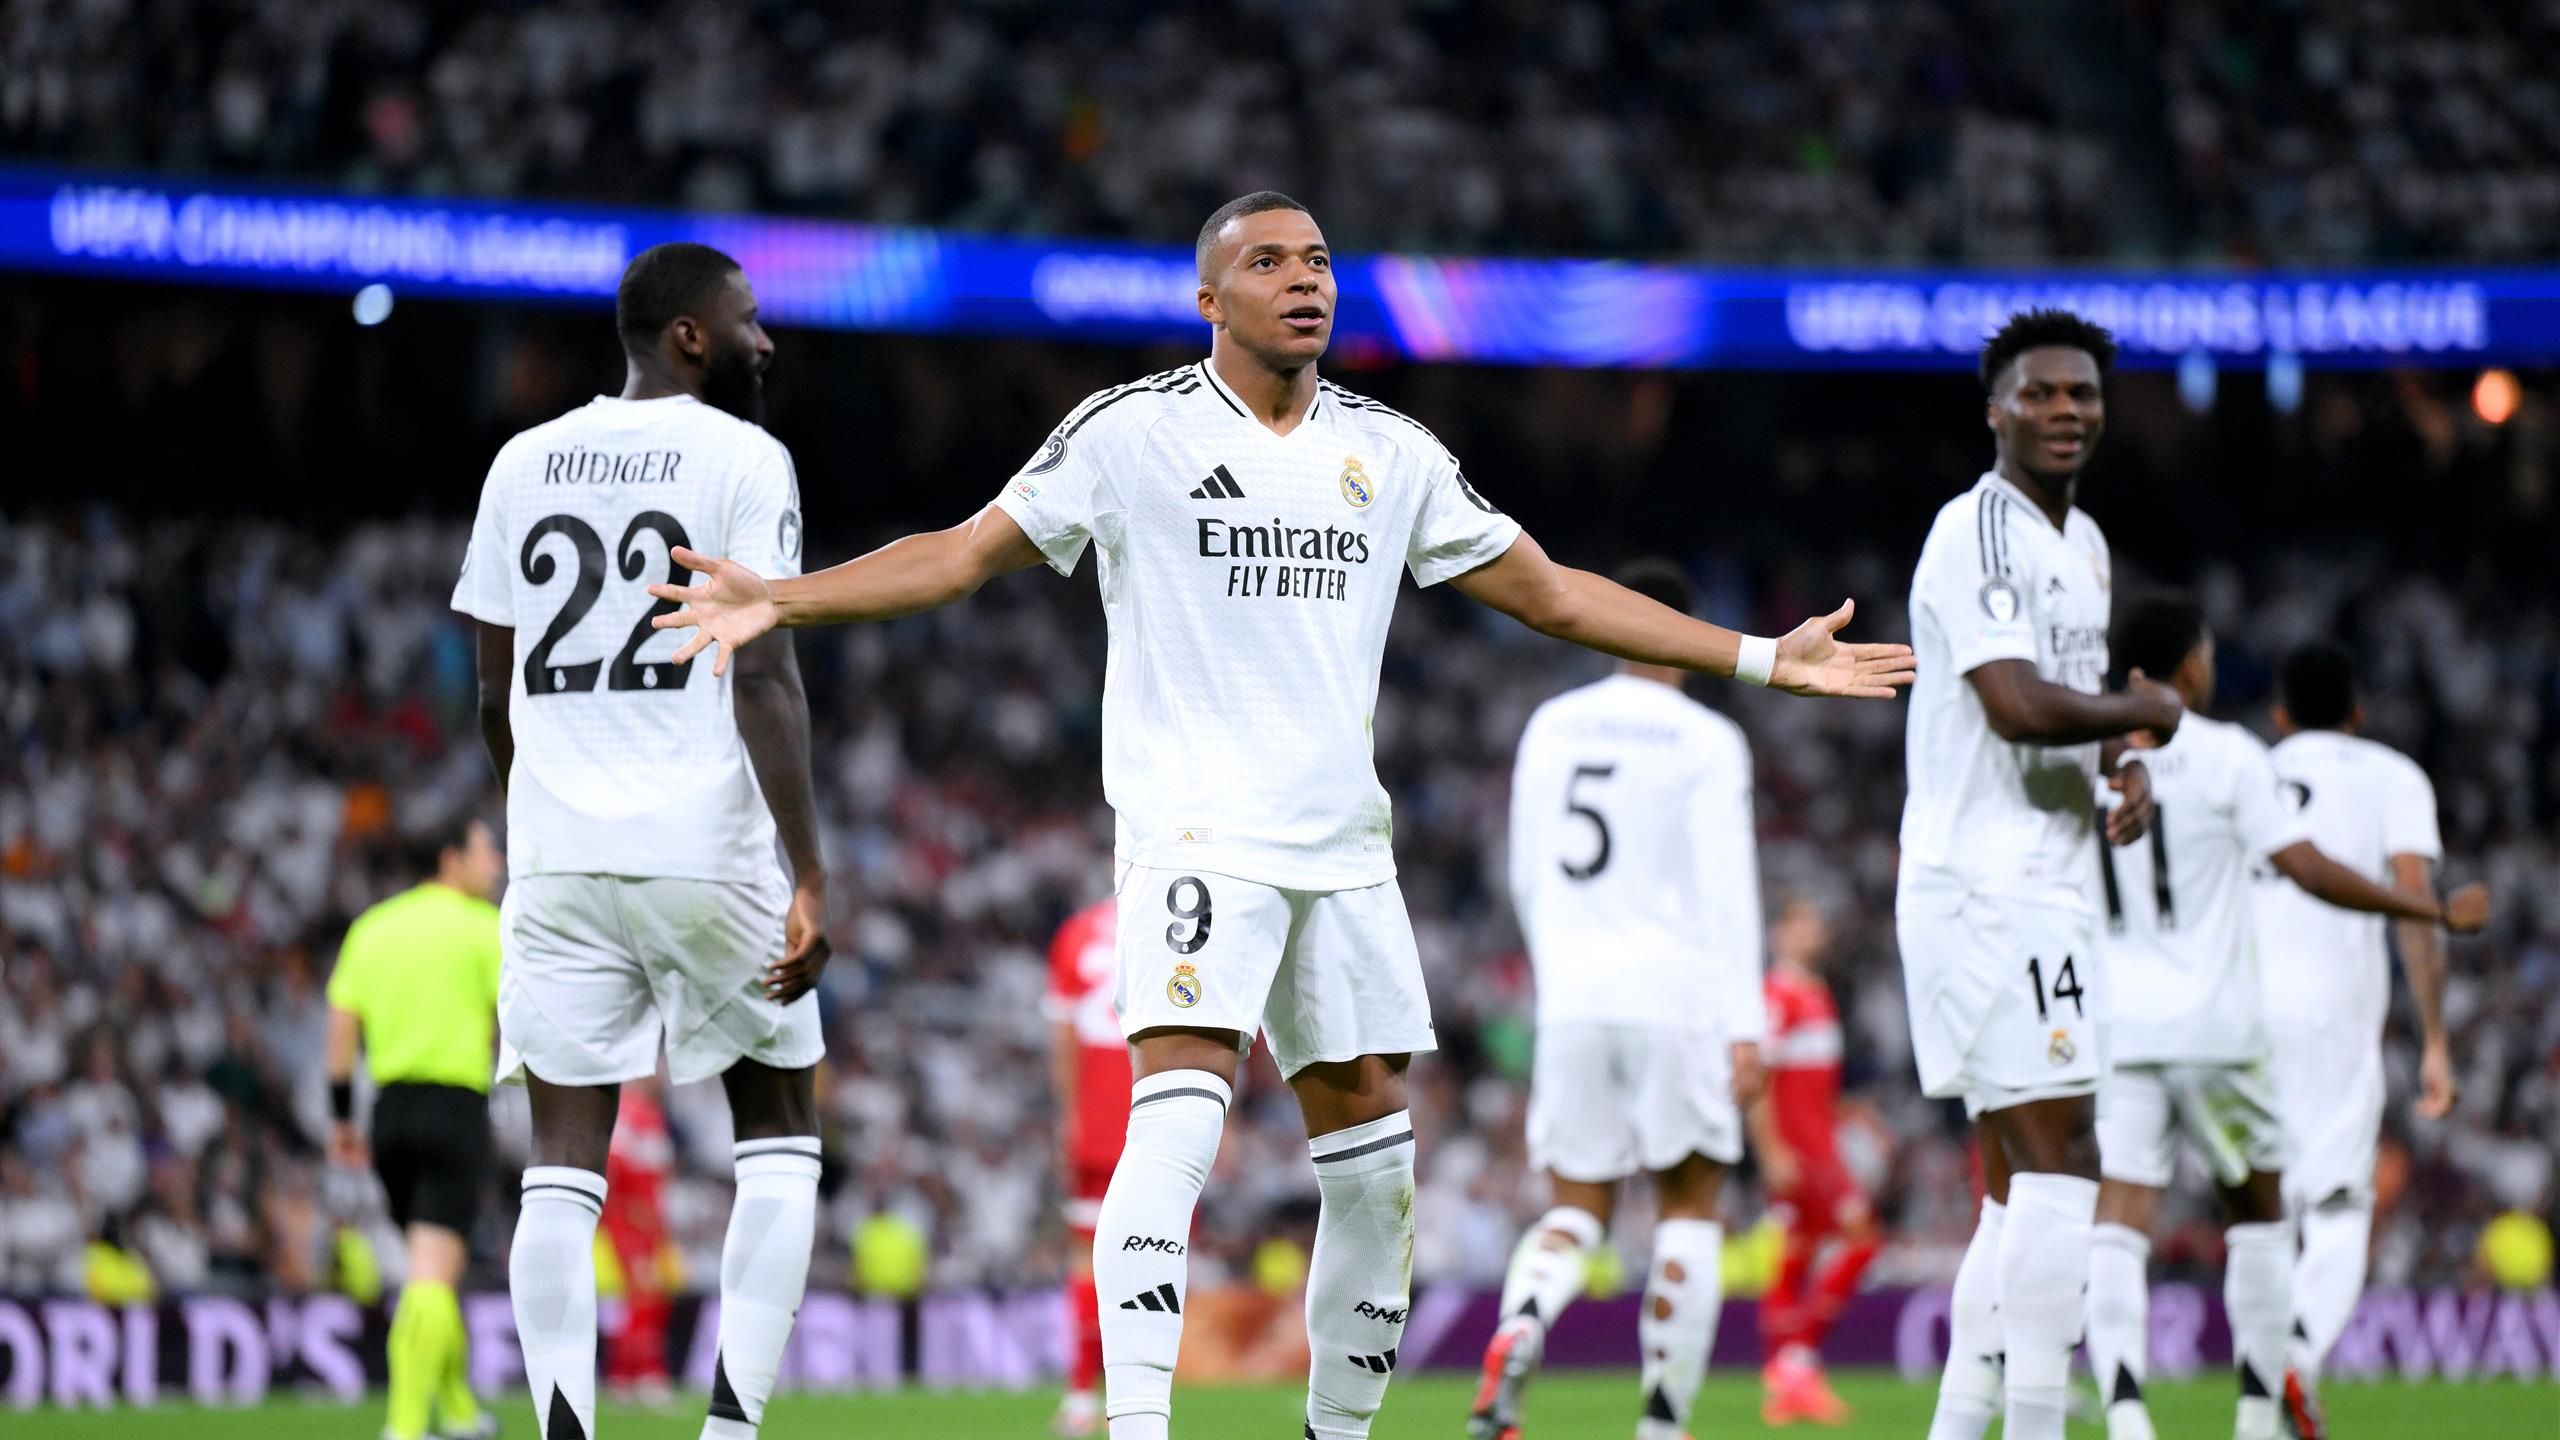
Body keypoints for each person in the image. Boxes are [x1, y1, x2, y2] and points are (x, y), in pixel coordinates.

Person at [644, 192, 1915, 1440]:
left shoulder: (1389, 450)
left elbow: (1554, 593)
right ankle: (1136, 1423)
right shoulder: (1128, 434)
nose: (1305, 280)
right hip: (1198, 836)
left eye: (1317, 260)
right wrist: (791, 598)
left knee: (1377, 1172)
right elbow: (963, 551)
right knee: (1181, 1110)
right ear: (1210, 300)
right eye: (1268, 263)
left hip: (1346, 859)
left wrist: (1758, 657)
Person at [452, 241, 833, 1440]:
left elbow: (490, 692)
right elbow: (763, 673)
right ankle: (728, 1430)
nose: (764, 342)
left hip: (557, 859)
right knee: (777, 1136)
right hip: (704, 849)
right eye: (748, 319)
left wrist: (542, 817)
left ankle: (567, 1428)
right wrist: (810, 871)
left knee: (561, 1164)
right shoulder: (743, 456)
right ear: (689, 337)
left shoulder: (522, 462)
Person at [2081, 597, 2489, 1440]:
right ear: (2191, 667)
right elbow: (2304, 867)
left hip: (2123, 1028)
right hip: (2222, 1027)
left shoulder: (2087, 756)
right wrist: (2430, 914)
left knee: (2120, 1215)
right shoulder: (2233, 758)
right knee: (2270, 1216)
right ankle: (2264, 1406)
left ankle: (2124, 1414)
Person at [1897, 308, 2184, 1440]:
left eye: (2082, 395)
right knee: (2067, 1158)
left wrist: (2119, 760)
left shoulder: (2087, 543)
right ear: (1995, 410)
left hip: (2043, 886)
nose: (2065, 411)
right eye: (2040, 393)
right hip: (1988, 889)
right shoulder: (1978, 531)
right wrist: (2146, 710)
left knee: (2016, 1187)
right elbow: (2014, 704)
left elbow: (2065, 701)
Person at [1471, 558, 1768, 1440]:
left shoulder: (1551, 726)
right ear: (1679, 635)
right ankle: (1663, 1420)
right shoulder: (1705, 739)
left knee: (1574, 1210)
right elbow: (1728, 887)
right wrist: (1745, 1024)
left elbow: (1525, 875)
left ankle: (1523, 1320)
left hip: (1573, 996)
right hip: (1675, 995)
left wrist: (1560, 973)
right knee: (1687, 1208)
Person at [2255, 642, 2476, 1440]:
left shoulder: (2248, 767)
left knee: (2265, 1208)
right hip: (2335, 1010)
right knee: (2342, 1204)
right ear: (2358, 712)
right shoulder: (2393, 777)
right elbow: (2415, 902)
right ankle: (2300, 1353)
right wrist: (2436, 1042)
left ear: (2279, 715)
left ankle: (2264, 1398)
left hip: (2241, 1010)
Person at [325, 814, 506, 1440]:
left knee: (431, 1264)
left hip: (388, 1114)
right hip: (453, 1105)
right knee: (432, 1272)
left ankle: (457, 1410)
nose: (498, 863)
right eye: (486, 850)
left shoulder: (373, 928)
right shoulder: (485, 929)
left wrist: (342, 1117)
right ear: (449, 859)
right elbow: (510, 1016)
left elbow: (342, 1029)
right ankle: (403, 1428)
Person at [1750, 895, 1877, 1425]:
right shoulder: (1777, 995)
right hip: (1802, 1149)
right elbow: (1758, 1079)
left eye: (1816, 924)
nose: (1814, 934)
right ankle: (1796, 1357)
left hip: (1821, 1137)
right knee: (1861, 1239)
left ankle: (1787, 1378)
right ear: (1780, 934)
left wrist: (1853, 1114)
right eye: (1801, 924)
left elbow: (1814, 1084)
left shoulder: (1817, 993)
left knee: (1797, 1249)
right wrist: (1770, 1149)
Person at [1046, 895, 1129, 1438]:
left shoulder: (1075, 934)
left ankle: (1080, 1399)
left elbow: (1063, 1036)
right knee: (1153, 1259)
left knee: (1086, 1258)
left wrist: (1068, 1117)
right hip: (1160, 1113)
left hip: (1094, 1126)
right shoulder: (1180, 915)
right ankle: (1138, 1398)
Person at [602, 1077, 677, 1405]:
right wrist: (627, 1214)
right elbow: (616, 1170)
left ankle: (630, 1375)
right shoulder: (627, 1113)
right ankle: (636, 1374)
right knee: (638, 1300)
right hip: (630, 1223)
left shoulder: (651, 1114)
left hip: (649, 1225)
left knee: (649, 1299)